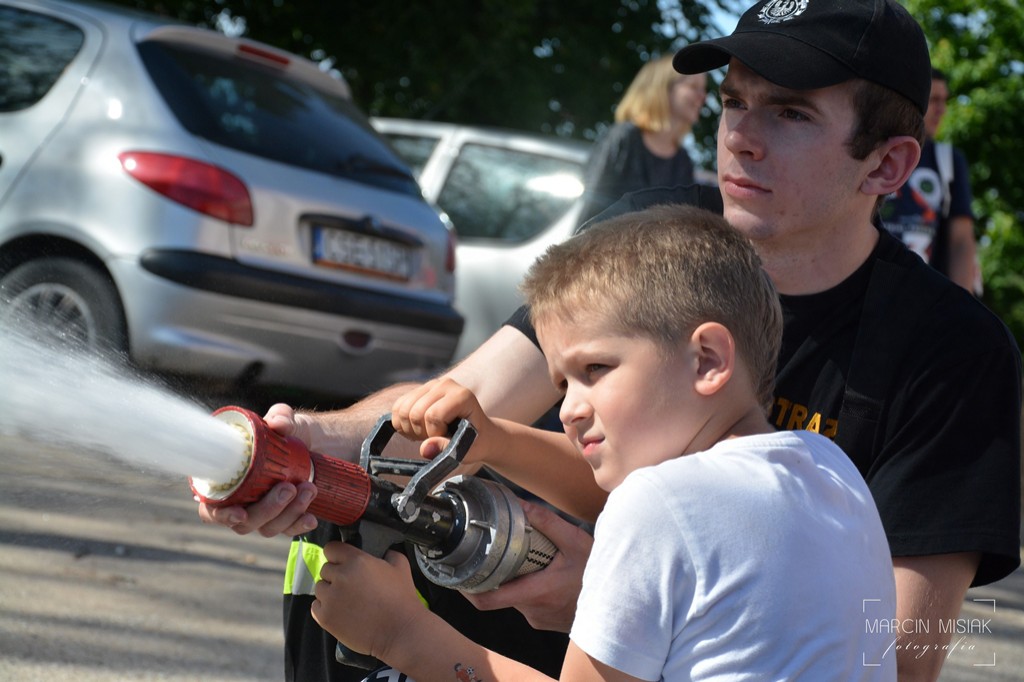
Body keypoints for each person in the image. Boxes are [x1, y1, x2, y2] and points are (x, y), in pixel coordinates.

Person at [200, 1, 1022, 679]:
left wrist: (618, 589)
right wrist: (300, 443)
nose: (739, 134)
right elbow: (459, 411)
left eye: (791, 112)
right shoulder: (649, 237)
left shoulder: (951, 355)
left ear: (887, 165)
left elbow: (893, 659)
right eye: (734, 100)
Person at [311, 204, 899, 681]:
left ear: (708, 360)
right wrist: (488, 441)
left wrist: (400, 636)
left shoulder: (660, 504)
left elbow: (657, 514)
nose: (567, 409)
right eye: (562, 382)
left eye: (596, 369)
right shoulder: (830, 471)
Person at [880, 68, 981, 293]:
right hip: (871, 291)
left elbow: (962, 241)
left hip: (925, 297)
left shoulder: (948, 160)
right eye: (934, 100)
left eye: (944, 100)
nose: (941, 110)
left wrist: (963, 310)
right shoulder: (875, 149)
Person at [576, 54, 706, 224]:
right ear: (663, 88)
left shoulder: (683, 161)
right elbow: (589, 210)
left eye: (703, 89)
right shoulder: (624, 139)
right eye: (693, 87)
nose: (703, 97)